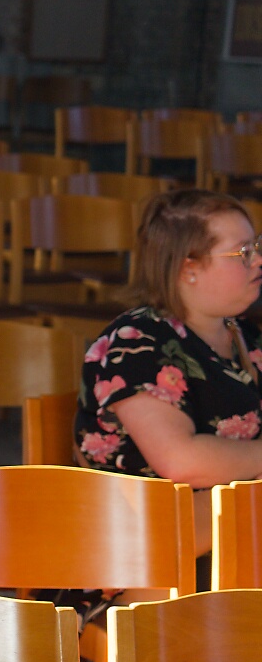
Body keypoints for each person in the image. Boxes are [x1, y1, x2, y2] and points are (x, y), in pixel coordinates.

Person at [75, 188, 262, 587]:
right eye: (243, 252)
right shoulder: (137, 343)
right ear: (187, 267)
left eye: (257, 247)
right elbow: (181, 461)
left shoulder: (245, 336)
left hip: (228, 538)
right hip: (147, 563)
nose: (258, 260)